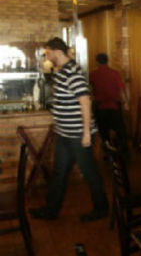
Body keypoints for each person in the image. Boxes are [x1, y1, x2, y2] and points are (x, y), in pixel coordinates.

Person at [30, 38, 109, 222]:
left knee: (89, 172)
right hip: (65, 133)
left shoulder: (73, 72)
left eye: (48, 53)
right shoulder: (63, 71)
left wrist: (87, 133)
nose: (47, 57)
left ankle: (101, 208)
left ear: (57, 52)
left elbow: (85, 102)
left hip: (78, 134)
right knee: (59, 173)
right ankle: (51, 210)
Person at [89, 53, 129, 156]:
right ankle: (123, 153)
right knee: (120, 131)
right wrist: (125, 103)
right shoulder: (115, 73)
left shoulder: (93, 74)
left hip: (100, 108)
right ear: (108, 61)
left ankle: (108, 153)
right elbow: (121, 89)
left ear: (97, 62)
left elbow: (90, 90)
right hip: (114, 107)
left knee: (103, 132)